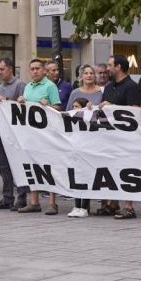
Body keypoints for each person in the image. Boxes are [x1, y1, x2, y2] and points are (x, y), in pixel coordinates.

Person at [100, 56, 141, 218]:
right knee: (111, 168)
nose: (107, 69)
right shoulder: (109, 86)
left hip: (127, 137)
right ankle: (113, 204)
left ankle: (128, 207)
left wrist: (113, 107)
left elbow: (134, 110)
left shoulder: (131, 86)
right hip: (110, 136)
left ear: (119, 67)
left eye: (110, 65)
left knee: (126, 169)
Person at [63, 64, 108, 218]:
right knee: (77, 170)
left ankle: (85, 206)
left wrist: (94, 107)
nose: (89, 75)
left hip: (94, 137)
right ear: (81, 76)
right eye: (86, 73)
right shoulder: (75, 92)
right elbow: (68, 112)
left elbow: (104, 112)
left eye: (91, 73)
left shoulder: (101, 92)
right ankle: (77, 205)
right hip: (78, 136)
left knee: (89, 170)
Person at [17, 58, 61, 213]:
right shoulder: (28, 86)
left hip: (47, 134)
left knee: (49, 166)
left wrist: (48, 106)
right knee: (32, 165)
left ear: (44, 71)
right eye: (32, 69)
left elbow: (58, 107)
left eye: (37, 68)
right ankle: (34, 202)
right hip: (30, 133)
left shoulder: (50, 86)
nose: (35, 71)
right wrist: (21, 102)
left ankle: (52, 203)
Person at [0, 58, 27, 209]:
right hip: (0, 132)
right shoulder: (0, 87)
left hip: (15, 134)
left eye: (2, 69)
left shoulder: (20, 85)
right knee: (3, 166)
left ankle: (22, 196)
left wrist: (7, 101)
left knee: (18, 165)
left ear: (10, 69)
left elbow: (23, 107)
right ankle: (7, 197)